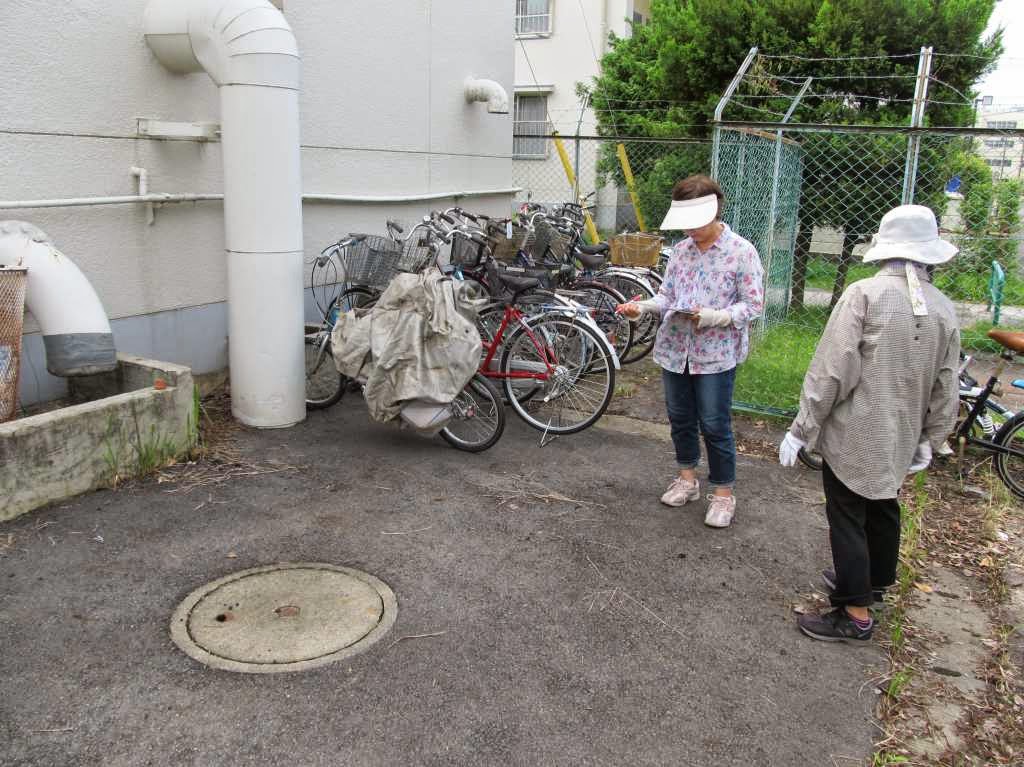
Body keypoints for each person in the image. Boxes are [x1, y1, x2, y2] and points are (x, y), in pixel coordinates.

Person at [779, 204, 960, 642]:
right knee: (883, 504)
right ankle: (874, 581)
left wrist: (801, 427)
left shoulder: (865, 294)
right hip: (902, 432)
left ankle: (855, 614)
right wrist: (934, 438)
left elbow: (832, 370)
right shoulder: (942, 308)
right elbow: (947, 382)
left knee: (847, 514)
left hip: (856, 430)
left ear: (885, 248)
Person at [617, 175, 764, 528]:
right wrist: (645, 308)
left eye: (698, 223)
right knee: (680, 419)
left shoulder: (741, 251)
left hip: (715, 355)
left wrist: (718, 316)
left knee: (714, 424)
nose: (691, 231)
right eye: (686, 224)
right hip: (675, 350)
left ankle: (723, 494)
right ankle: (687, 479)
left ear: (715, 211)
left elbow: (753, 306)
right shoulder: (680, 251)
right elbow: (668, 295)